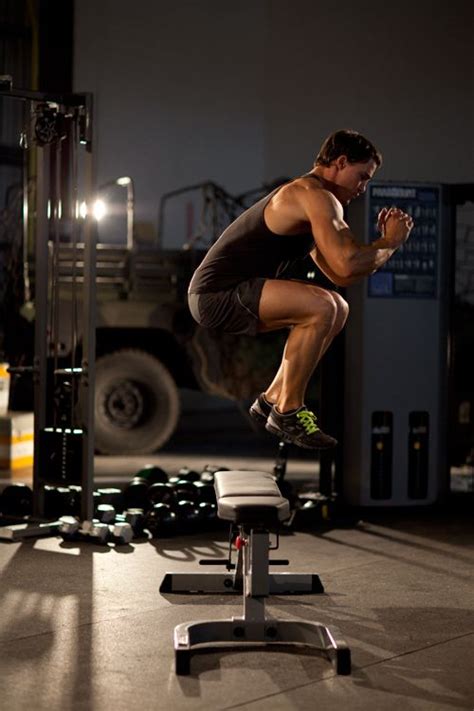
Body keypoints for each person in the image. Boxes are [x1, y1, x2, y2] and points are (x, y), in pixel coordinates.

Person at [187, 129, 414, 449]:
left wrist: (382, 247)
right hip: (215, 294)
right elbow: (349, 263)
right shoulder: (314, 196)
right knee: (323, 307)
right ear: (341, 162)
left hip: (227, 293)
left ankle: (271, 400)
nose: (363, 188)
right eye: (362, 177)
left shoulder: (314, 202)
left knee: (337, 308)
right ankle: (288, 411)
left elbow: (342, 275)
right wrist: (390, 242)